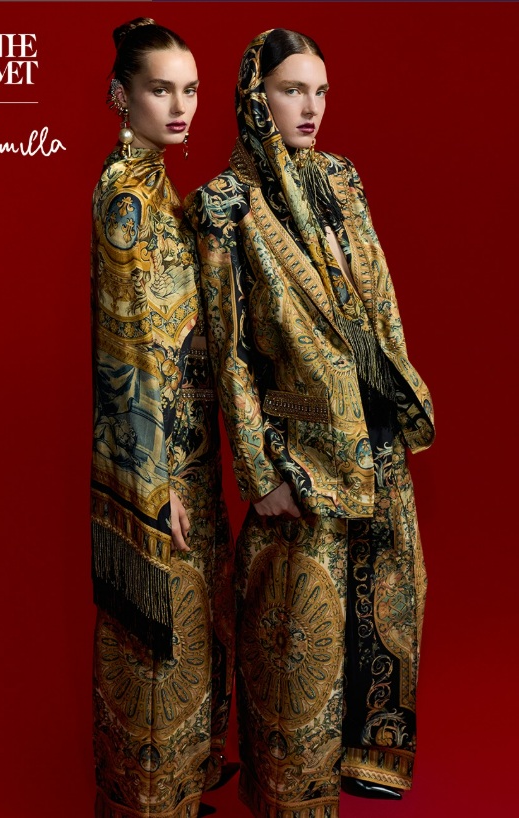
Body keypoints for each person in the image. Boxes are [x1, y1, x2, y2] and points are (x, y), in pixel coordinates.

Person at [187, 28, 435, 818]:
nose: (310, 107)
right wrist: (260, 471)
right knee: (295, 659)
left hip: (376, 447)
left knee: (380, 628)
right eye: (291, 89)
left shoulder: (339, 179)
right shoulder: (224, 205)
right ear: (254, 96)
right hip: (299, 461)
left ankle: (361, 767)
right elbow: (230, 352)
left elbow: (377, 306)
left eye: (319, 90)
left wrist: (393, 400)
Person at [90, 18, 235, 818]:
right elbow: (125, 349)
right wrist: (152, 490)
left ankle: (179, 796)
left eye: (190, 90)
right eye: (159, 89)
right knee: (155, 661)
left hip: (188, 456)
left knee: (185, 650)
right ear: (121, 95)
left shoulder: (157, 185)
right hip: (157, 470)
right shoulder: (125, 195)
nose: (179, 107)